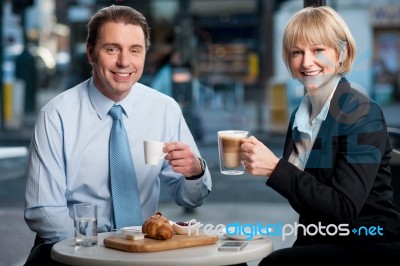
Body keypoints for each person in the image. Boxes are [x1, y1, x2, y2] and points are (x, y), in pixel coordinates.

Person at [23, 5, 211, 265]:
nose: (124, 61)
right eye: (112, 49)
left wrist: (194, 172)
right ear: (91, 53)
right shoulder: (56, 116)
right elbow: (43, 211)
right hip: (74, 249)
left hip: (144, 249)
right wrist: (96, 252)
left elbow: (192, 197)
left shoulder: (164, 109)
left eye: (135, 50)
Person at [240, 6, 400, 263]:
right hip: (319, 238)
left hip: (368, 243)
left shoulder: (362, 112)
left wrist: (275, 168)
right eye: (297, 52)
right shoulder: (300, 117)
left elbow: (343, 208)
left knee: (274, 263)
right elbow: (308, 199)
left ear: (341, 53)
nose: (306, 62)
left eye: (318, 50)